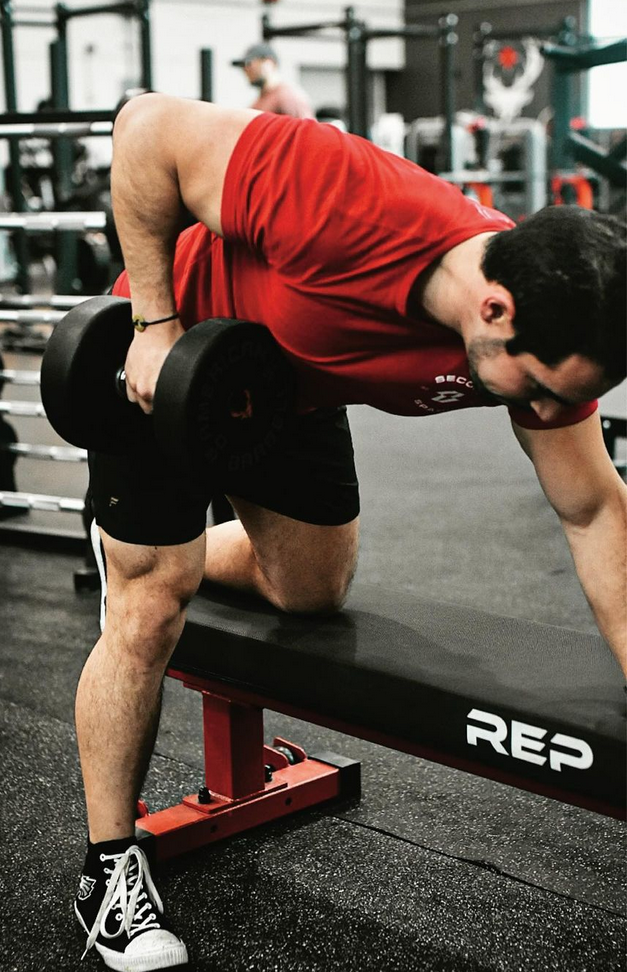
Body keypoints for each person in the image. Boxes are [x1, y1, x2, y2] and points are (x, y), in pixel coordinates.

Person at [73, 93, 626, 971]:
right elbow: (144, 129)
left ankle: (147, 549)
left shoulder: (547, 335)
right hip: (174, 351)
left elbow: (593, 510)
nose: (555, 413)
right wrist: (154, 322)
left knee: (310, 591)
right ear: (494, 309)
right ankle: (108, 871)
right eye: (546, 389)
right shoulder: (344, 198)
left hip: (287, 386)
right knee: (150, 605)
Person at [232, 41, 314, 118]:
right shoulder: (259, 102)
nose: (245, 70)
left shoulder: (287, 98)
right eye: (243, 66)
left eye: (249, 64)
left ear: (270, 63)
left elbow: (308, 128)